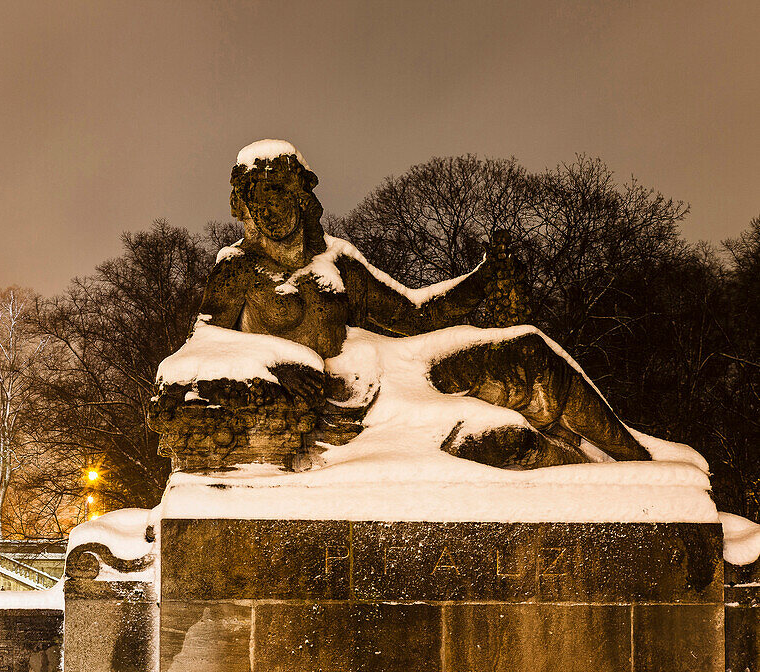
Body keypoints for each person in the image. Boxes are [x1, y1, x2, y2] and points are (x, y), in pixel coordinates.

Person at [196, 140, 649, 469]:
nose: (270, 207)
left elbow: (415, 316)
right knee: (503, 441)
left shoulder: (338, 265)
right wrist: (278, 374)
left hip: (387, 381)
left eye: (279, 192)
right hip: (324, 419)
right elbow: (203, 351)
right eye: (258, 196)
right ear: (245, 206)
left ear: (301, 196)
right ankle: (591, 475)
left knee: (528, 348)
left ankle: (641, 462)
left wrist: (480, 282)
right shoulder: (236, 271)